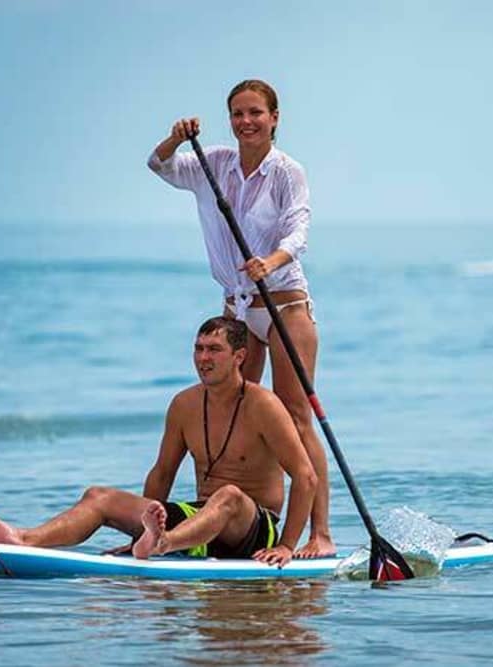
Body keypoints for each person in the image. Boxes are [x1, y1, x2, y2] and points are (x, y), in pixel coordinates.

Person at [146, 79, 335, 559]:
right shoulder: (211, 163)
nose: (245, 122)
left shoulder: (288, 172)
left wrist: (270, 262)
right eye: (237, 114)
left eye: (255, 113)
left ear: (274, 118)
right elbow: (159, 165)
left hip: (284, 305)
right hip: (237, 305)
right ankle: (227, 521)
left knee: (293, 416)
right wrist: (174, 136)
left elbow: (299, 228)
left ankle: (318, 534)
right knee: (233, 409)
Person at [0, 317, 317, 567]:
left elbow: (306, 476)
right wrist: (141, 530)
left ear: (239, 357)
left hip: (254, 530)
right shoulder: (184, 404)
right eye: (198, 348)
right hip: (198, 522)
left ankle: (164, 544)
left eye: (214, 349)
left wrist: (287, 545)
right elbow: (162, 473)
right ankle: (22, 539)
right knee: (98, 496)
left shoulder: (263, 405)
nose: (203, 358)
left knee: (228, 495)